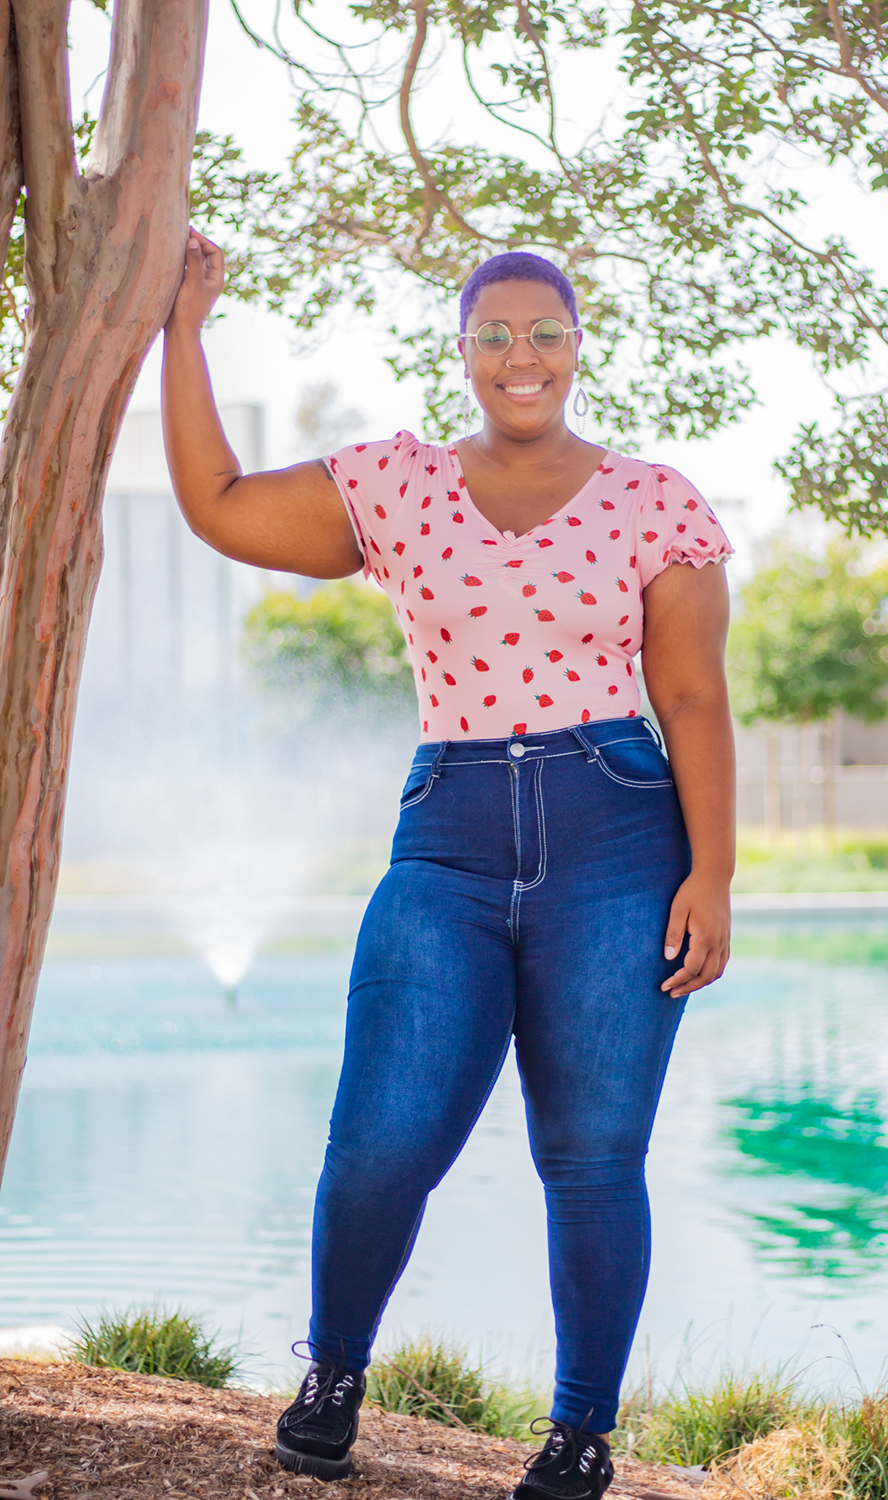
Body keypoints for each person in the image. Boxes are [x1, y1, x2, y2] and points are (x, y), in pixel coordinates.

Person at [162, 238, 736, 1500]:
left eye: (543, 331)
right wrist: (184, 330)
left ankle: (581, 1434)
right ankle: (333, 1374)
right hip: (451, 833)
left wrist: (714, 875)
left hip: (619, 828)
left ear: (577, 345)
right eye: (493, 334)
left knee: (592, 1155)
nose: (519, 356)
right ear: (462, 351)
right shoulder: (397, 486)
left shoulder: (656, 499)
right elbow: (214, 501)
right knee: (381, 1136)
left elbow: (693, 697)